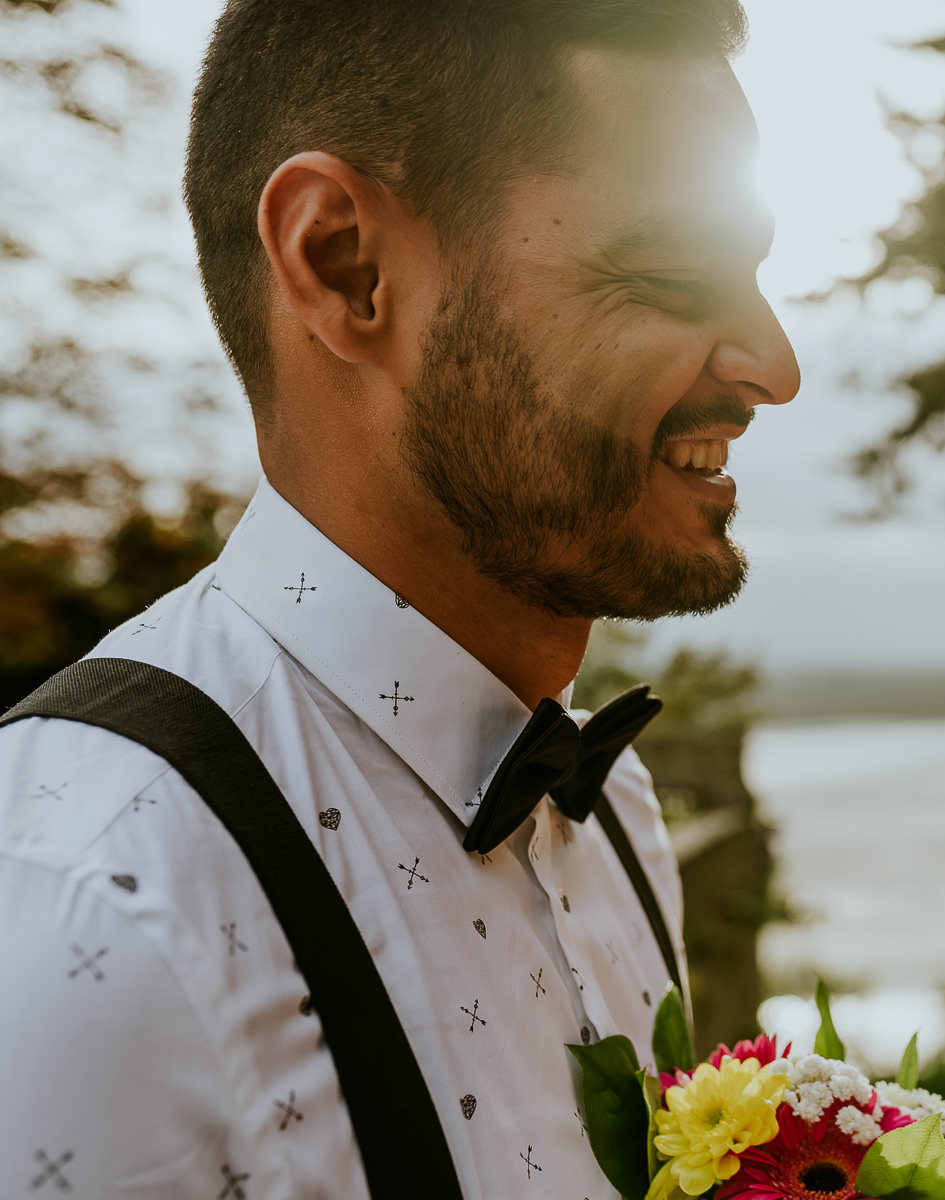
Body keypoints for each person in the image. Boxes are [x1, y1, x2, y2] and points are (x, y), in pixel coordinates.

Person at [0, 0, 798, 1196]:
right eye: (669, 272)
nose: (773, 366)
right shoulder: (97, 901)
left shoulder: (615, 805)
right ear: (344, 265)